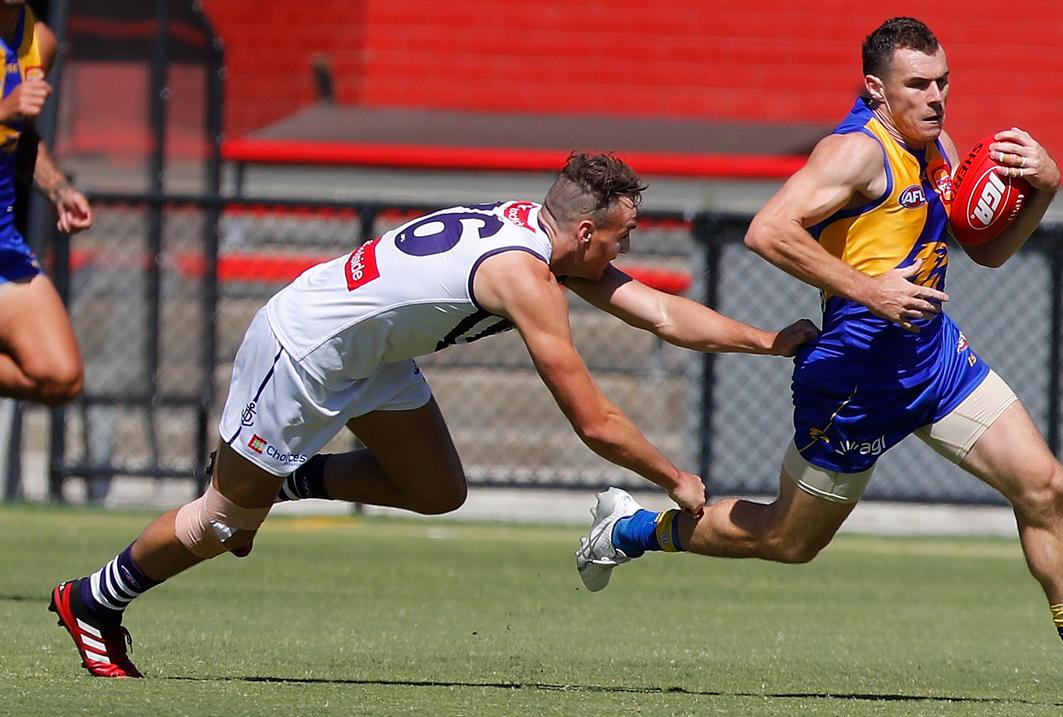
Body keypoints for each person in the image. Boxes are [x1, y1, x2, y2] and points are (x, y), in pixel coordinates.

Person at [576, 17, 1063, 707]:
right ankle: (630, 530)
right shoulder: (853, 155)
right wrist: (870, 290)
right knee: (787, 540)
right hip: (855, 382)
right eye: (918, 85)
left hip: (934, 362)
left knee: (1045, 486)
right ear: (876, 88)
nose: (936, 98)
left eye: (943, 83)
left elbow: (985, 251)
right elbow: (766, 230)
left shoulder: (935, 147)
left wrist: (1044, 189)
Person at [48, 151, 819, 678]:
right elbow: (593, 419)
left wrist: (769, 341)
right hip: (303, 351)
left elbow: (655, 312)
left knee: (436, 488)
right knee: (222, 527)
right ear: (586, 232)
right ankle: (91, 600)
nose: (627, 250)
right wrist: (673, 474)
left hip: (369, 357)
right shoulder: (524, 276)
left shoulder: (537, 233)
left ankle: (289, 480)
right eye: (623, 235)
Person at [0, 0, 93, 406]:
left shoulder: (39, 41)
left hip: (3, 243)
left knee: (59, 376)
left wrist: (58, 189)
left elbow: (21, 138)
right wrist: (4, 110)